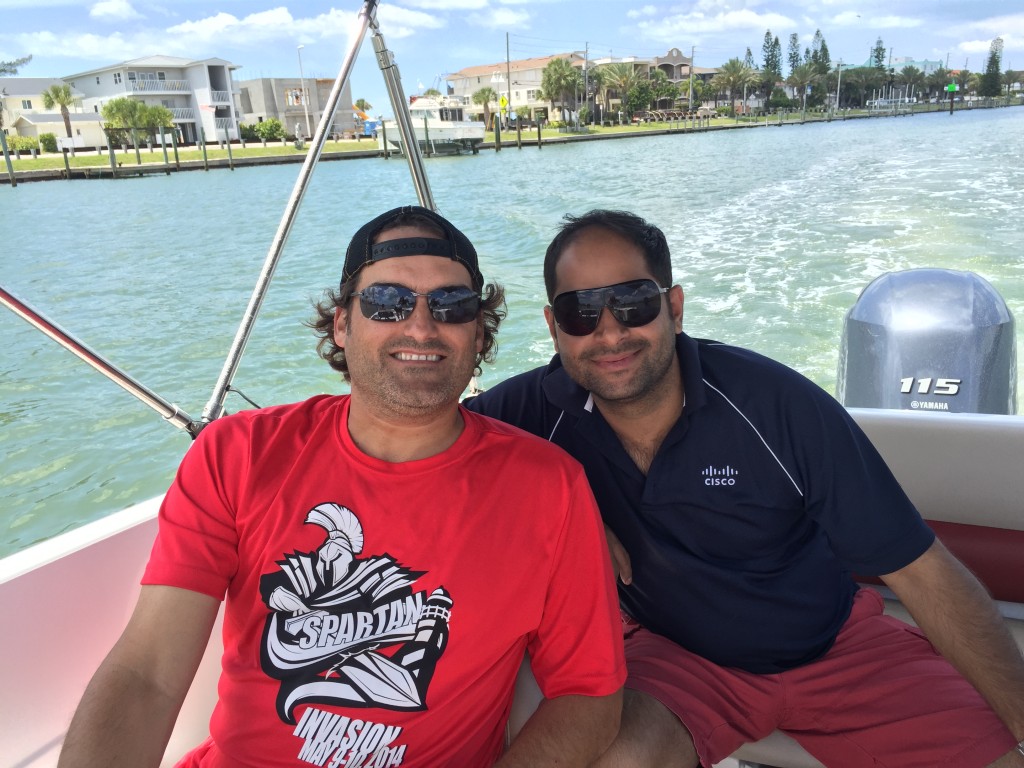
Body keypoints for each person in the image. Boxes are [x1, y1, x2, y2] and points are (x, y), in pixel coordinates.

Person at [57, 206, 625, 768]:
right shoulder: (238, 456)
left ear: (479, 332)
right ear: (341, 323)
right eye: (387, 303)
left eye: (451, 305)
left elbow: (589, 695)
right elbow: (148, 674)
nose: (422, 326)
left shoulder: (549, 489)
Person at [464, 209, 1024, 768]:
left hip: (836, 647)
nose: (609, 332)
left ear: (674, 309)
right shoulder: (530, 412)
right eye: (579, 312)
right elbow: (415, 442)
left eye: (633, 303)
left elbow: (921, 572)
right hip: (675, 657)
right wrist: (561, 514)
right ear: (553, 326)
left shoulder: (777, 405)